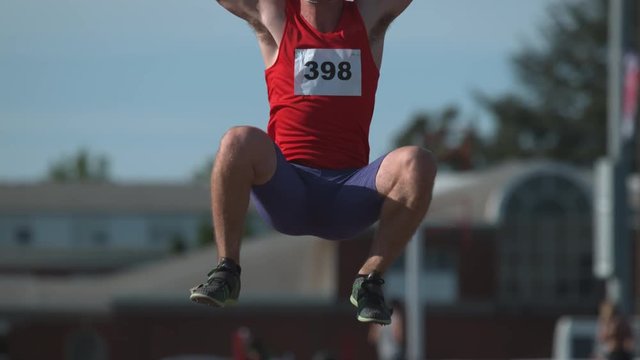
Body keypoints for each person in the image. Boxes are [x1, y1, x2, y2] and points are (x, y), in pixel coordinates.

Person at [189, 0, 437, 325]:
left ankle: (370, 280)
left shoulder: (366, 17)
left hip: (350, 193)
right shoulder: (275, 16)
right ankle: (227, 270)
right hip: (288, 188)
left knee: (417, 163)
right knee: (237, 141)